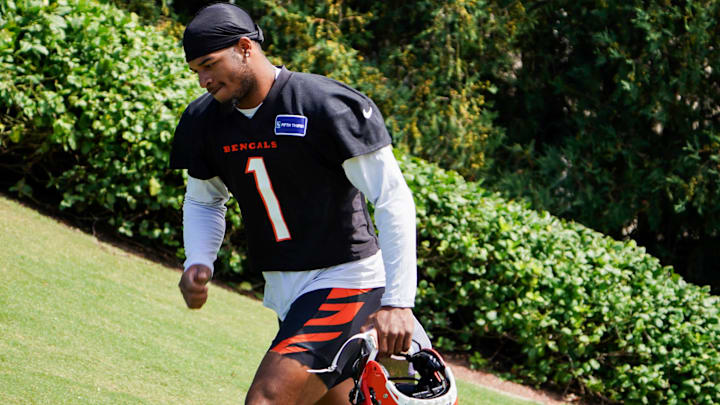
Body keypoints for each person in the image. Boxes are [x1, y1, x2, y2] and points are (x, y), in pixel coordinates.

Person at [170, 3, 424, 404]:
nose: (203, 79)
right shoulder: (205, 121)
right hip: (286, 292)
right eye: (195, 71)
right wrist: (198, 260)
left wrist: (398, 301)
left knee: (268, 399)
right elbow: (204, 201)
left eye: (209, 64)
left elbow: (391, 197)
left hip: (347, 279)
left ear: (244, 47)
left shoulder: (323, 104)